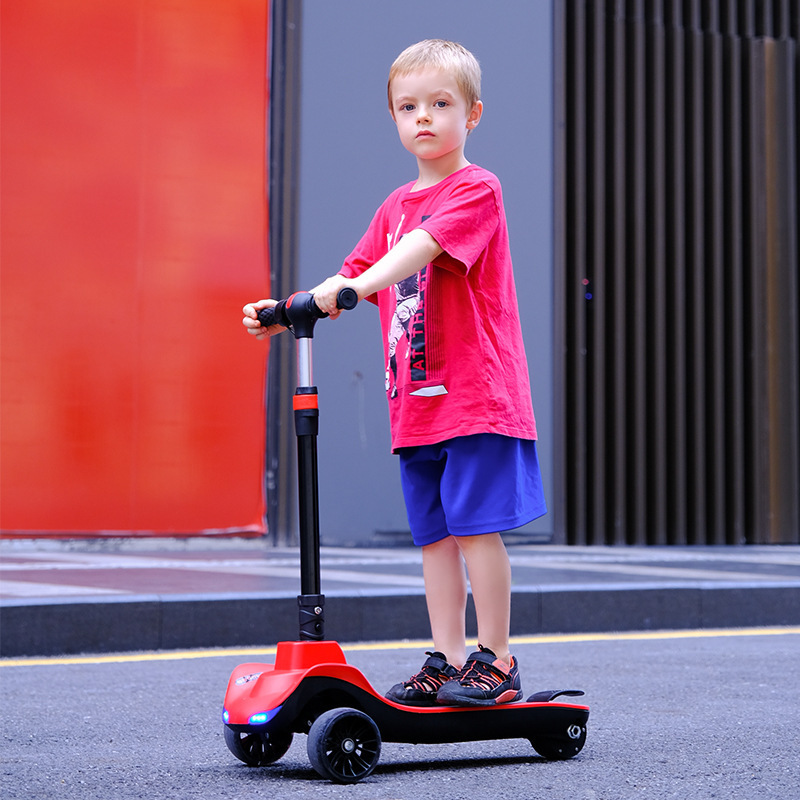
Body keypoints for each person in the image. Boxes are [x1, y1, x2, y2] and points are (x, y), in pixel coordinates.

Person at [243, 39, 546, 707]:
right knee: (434, 537)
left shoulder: (476, 188)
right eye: (409, 106)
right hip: (415, 401)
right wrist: (288, 306)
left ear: (473, 115)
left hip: (475, 396)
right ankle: (448, 655)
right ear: (394, 118)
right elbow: (349, 274)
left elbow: (420, 249)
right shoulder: (392, 206)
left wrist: (352, 289)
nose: (425, 118)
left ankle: (498, 658)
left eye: (441, 104)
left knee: (474, 526)